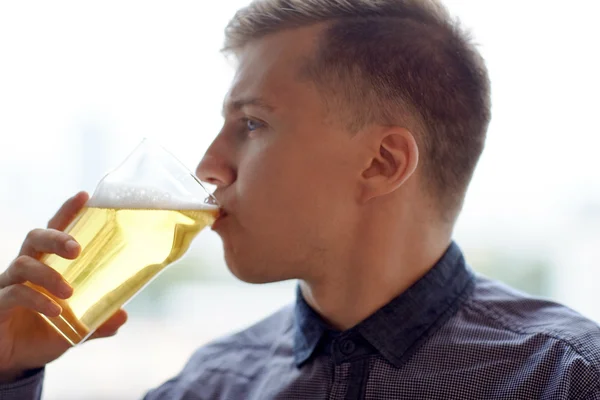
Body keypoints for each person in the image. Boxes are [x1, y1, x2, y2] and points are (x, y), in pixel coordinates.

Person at [1, 0, 600, 398]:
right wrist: (9, 370)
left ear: (382, 163)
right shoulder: (211, 384)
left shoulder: (566, 377)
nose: (208, 167)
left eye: (253, 124)